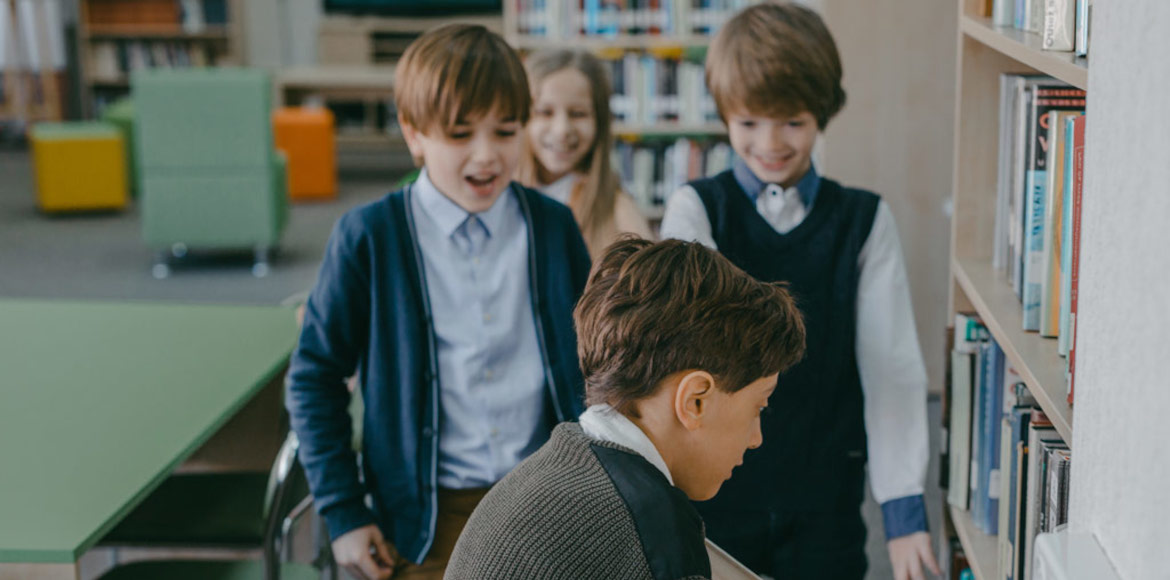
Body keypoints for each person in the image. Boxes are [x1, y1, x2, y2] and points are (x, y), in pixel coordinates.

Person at [285, 24, 591, 580]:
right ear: (413, 134)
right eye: (459, 134)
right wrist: (344, 512)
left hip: (544, 503)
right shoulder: (370, 236)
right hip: (426, 521)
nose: (487, 155)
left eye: (505, 131)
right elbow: (314, 377)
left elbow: (592, 361)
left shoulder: (553, 227)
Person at [659, 3, 938, 579]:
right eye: (749, 123)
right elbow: (690, 347)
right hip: (716, 497)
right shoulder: (696, 209)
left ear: (823, 112)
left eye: (792, 121)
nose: (770, 143)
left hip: (826, 499)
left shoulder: (863, 219)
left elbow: (892, 370)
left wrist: (905, 512)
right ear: (725, 115)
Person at [445, 237, 806, 580]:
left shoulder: (553, 468)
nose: (756, 438)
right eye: (759, 406)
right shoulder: (652, 531)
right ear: (695, 400)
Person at [517, 49, 653, 258]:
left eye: (578, 114)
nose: (562, 130)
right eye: (545, 112)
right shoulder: (500, 198)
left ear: (600, 123)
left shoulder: (620, 211)